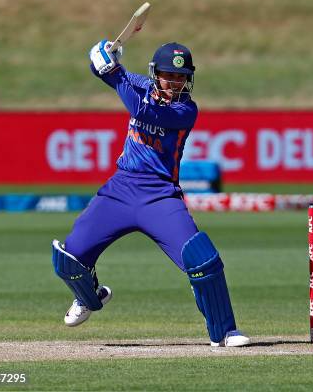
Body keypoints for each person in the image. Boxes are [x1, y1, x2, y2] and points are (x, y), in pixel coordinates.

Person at [51, 39, 250, 347]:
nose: (175, 82)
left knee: (203, 260)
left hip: (159, 195)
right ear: (156, 74)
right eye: (169, 75)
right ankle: (89, 297)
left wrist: (112, 70)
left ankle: (224, 332)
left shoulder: (186, 110)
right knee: (69, 257)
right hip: (120, 189)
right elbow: (103, 71)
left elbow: (142, 112)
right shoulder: (141, 85)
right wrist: (102, 56)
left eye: (181, 77)